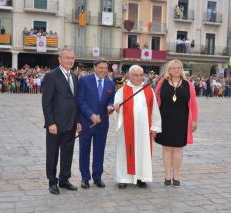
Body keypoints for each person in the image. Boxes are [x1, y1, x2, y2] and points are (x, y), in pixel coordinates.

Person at [113, 65, 161, 189]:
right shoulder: (122, 91)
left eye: (141, 75)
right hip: (126, 130)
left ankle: (141, 177)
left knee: (142, 152)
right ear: (129, 76)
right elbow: (116, 109)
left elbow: (155, 109)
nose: (139, 78)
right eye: (135, 75)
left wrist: (155, 127)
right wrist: (116, 109)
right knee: (124, 153)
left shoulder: (148, 90)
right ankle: (123, 178)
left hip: (144, 130)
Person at [42, 49, 80, 194]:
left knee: (67, 153)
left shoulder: (75, 77)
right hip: (55, 125)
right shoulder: (51, 76)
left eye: (72, 58)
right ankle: (52, 181)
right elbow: (46, 103)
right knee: (52, 154)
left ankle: (64, 179)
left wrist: (77, 121)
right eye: (67, 58)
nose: (70, 60)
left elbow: (75, 101)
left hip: (70, 124)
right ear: (60, 59)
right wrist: (50, 122)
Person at [155, 59, 198, 187]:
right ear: (169, 70)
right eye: (173, 68)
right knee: (167, 148)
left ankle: (176, 176)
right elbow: (153, 98)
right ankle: (167, 176)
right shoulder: (162, 82)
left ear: (181, 70)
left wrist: (194, 120)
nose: (176, 70)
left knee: (178, 149)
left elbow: (194, 104)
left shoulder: (188, 84)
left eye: (178, 68)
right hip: (165, 120)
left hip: (182, 121)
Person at [77, 58, 115, 189]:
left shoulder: (110, 83)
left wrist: (110, 107)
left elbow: (111, 100)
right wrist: (91, 115)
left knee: (99, 150)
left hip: (102, 124)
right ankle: (85, 178)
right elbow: (80, 101)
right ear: (95, 67)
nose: (103, 70)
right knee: (84, 150)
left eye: (105, 68)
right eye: (101, 67)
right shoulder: (84, 80)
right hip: (86, 122)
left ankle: (97, 177)